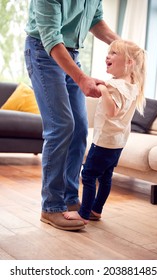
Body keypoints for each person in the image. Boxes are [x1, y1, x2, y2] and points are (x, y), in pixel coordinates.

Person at [24, 0, 120, 231]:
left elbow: (96, 21)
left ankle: (68, 198)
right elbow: (50, 38)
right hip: (44, 51)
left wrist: (121, 44)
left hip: (71, 53)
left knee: (79, 128)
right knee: (61, 126)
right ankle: (51, 206)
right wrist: (81, 78)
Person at [64, 39, 146, 225]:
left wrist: (103, 89)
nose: (107, 56)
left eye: (114, 53)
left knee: (88, 175)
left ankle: (84, 213)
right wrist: (106, 87)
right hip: (118, 142)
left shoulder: (114, 86)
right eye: (108, 53)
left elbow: (112, 111)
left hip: (104, 141)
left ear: (129, 63)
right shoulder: (132, 86)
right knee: (106, 176)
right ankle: (96, 209)